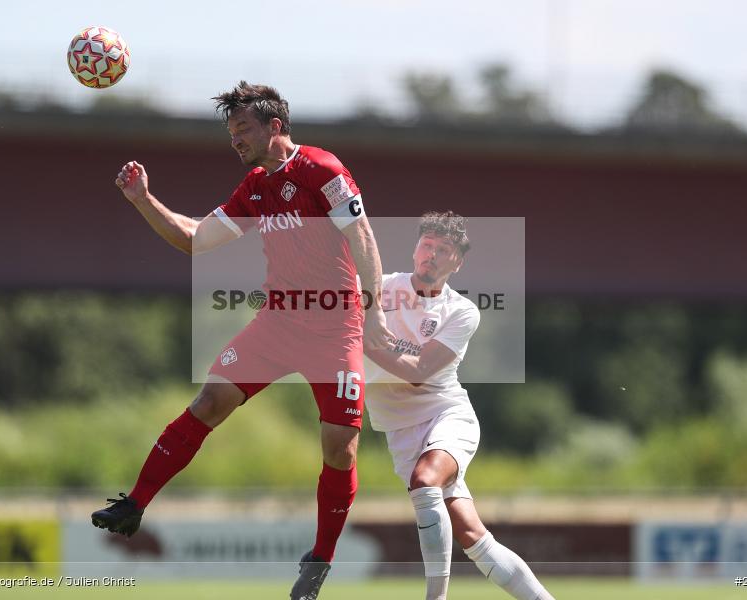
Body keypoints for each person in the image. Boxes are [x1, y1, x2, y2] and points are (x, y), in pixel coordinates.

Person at [89, 81, 393, 600]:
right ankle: (134, 504)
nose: (235, 140)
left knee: (340, 450)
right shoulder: (254, 186)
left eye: (243, 129)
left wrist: (375, 313)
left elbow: (361, 237)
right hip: (277, 323)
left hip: (334, 326)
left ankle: (319, 561)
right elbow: (193, 238)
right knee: (209, 401)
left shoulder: (323, 169)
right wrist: (142, 200)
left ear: (276, 126)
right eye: (230, 132)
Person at [364, 212, 554, 600]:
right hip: (400, 431)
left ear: (457, 262)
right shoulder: (377, 287)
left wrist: (364, 341)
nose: (431, 254)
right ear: (416, 248)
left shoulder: (462, 311)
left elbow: (418, 372)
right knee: (472, 536)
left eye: (443, 250)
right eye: (427, 245)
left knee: (425, 480)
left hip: (446, 415)